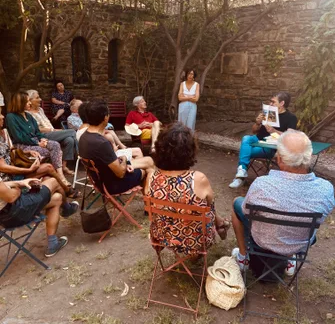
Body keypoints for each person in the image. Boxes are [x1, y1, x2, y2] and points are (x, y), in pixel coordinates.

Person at [231, 130, 335, 274]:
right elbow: (321, 219)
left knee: (237, 203)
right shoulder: (326, 189)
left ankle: (243, 257)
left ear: (279, 158)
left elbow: (246, 212)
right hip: (299, 244)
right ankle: (291, 259)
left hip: (262, 240)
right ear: (309, 157)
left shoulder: (261, 185)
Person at [144, 122, 230, 255]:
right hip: (196, 241)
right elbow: (209, 204)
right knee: (208, 205)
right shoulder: (198, 179)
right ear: (190, 151)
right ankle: (220, 224)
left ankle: (220, 224)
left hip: (162, 238)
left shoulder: (151, 177)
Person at [79, 100, 154, 195]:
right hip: (113, 185)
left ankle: (149, 203)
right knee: (148, 169)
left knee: (148, 160)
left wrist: (124, 163)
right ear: (105, 118)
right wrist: (124, 158)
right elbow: (121, 173)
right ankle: (149, 204)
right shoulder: (101, 143)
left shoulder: (84, 137)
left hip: (102, 179)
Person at [0, 109, 79, 198]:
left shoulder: (5, 132)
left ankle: (65, 201)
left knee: (49, 178)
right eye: (0, 114)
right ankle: (66, 191)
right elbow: (2, 167)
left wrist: (28, 152)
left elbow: (12, 151)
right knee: (49, 168)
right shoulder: (12, 117)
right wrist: (28, 170)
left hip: (18, 166)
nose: (3, 116)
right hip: (11, 178)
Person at [229, 91, 298, 189]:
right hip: (257, 140)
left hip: (269, 146)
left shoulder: (291, 118)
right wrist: (257, 123)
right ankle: (241, 172)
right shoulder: (268, 113)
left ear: (282, 103)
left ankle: (240, 177)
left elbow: (290, 136)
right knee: (246, 138)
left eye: (273, 102)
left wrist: (273, 131)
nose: (270, 104)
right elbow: (254, 131)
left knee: (245, 151)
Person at [0, 176, 79, 257]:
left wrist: (19, 183)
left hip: (4, 221)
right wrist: (17, 188)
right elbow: (11, 197)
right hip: (16, 212)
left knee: (57, 198)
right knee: (53, 181)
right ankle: (67, 208)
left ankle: (53, 243)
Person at [6, 92, 70, 186]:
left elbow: (37, 132)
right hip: (22, 145)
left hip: (35, 141)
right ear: (20, 102)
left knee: (55, 145)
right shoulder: (11, 117)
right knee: (50, 152)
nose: (30, 103)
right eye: (27, 101)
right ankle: (47, 174)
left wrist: (42, 139)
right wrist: (37, 143)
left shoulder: (29, 116)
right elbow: (19, 137)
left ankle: (60, 176)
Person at [27, 89, 77, 176]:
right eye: (37, 98)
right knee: (72, 132)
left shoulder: (40, 109)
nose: (40, 99)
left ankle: (63, 166)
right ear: (30, 100)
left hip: (52, 132)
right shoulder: (27, 113)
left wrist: (55, 130)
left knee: (69, 140)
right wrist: (51, 130)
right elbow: (35, 130)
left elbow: (48, 124)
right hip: (42, 136)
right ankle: (83, 154)